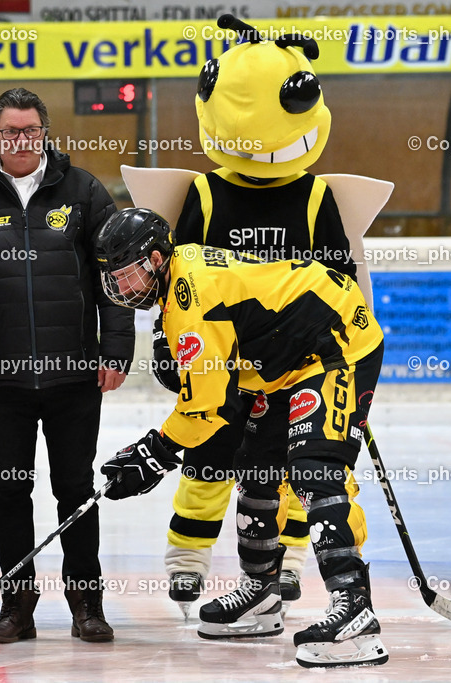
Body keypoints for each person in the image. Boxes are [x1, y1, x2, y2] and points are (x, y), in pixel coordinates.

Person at [95, 207, 388, 669]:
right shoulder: (178, 277)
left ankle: (355, 609)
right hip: (281, 363)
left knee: (316, 471)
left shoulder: (192, 302)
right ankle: (261, 594)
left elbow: (206, 408)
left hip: (335, 346)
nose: (120, 288)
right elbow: (221, 384)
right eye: (112, 276)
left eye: (127, 274)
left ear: (155, 259)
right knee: (257, 471)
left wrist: (152, 454)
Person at [150, 18, 359, 615]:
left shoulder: (316, 196)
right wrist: (171, 347)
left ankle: (285, 565)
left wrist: (343, 367)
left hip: (295, 364)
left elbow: (340, 278)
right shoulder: (207, 193)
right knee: (208, 457)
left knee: (292, 467)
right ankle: (188, 561)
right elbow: (175, 281)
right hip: (223, 362)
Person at [0, 87, 135, 644]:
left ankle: (86, 605)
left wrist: (116, 349)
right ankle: (17, 608)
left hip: (74, 376)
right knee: (11, 493)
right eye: (11, 132)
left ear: (45, 134)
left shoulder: (84, 191)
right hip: (6, 380)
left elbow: (115, 272)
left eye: (31, 131)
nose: (21, 141)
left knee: (75, 490)